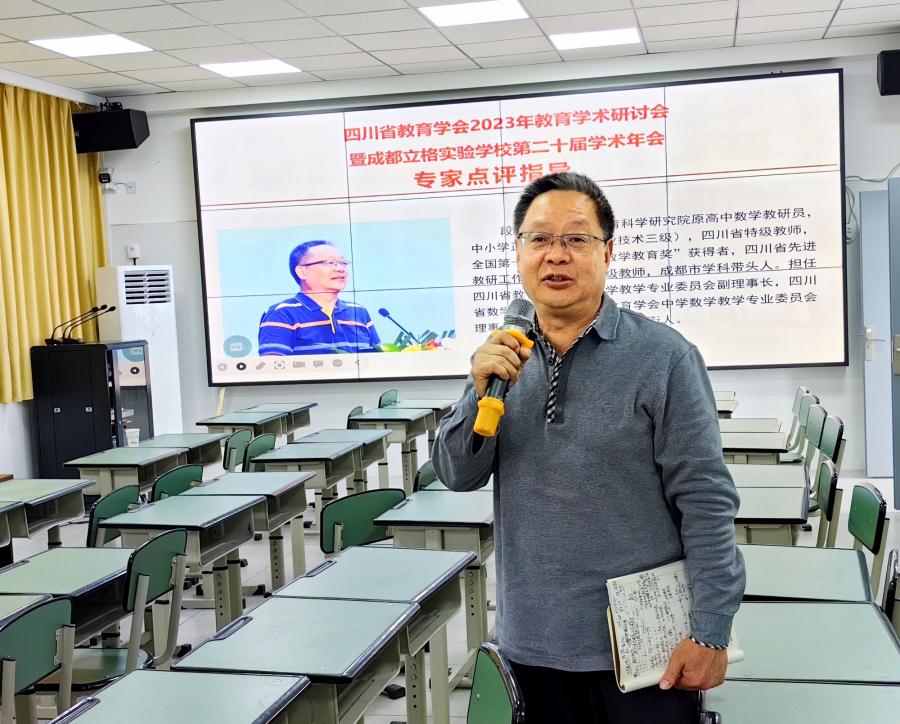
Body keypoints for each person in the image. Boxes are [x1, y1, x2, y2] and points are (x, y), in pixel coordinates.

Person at [432, 172, 745, 723]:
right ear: (518, 252)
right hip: (532, 639)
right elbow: (458, 475)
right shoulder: (504, 356)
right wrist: (477, 395)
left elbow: (705, 500)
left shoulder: (664, 358)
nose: (556, 255)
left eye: (576, 239)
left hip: (643, 648)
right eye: (539, 239)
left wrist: (711, 630)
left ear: (608, 252)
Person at [258, 240, 380, 355]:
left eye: (343, 263)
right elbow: (274, 366)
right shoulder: (282, 313)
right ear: (302, 272)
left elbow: (379, 360)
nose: (340, 269)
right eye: (330, 263)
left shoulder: (358, 312)